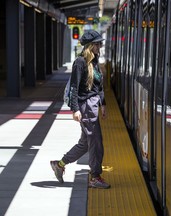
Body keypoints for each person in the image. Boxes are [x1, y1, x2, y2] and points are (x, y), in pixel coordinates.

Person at [50, 30, 110, 189]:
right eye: (98, 43)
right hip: (85, 106)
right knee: (96, 143)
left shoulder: (95, 61)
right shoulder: (80, 62)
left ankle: (60, 164)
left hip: (93, 105)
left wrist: (103, 104)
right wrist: (75, 109)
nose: (100, 46)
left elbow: (99, 86)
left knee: (85, 143)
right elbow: (74, 88)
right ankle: (95, 177)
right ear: (91, 46)